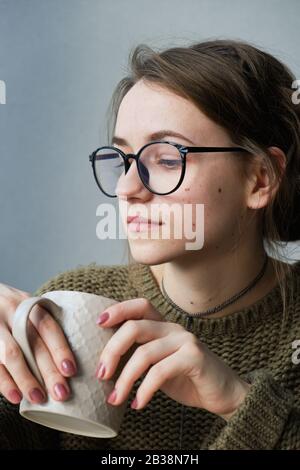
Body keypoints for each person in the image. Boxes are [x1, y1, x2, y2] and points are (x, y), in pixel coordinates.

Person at [1, 38, 300, 450]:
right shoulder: (70, 303)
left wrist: (239, 401)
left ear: (260, 179)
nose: (127, 188)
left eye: (167, 159)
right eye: (122, 159)